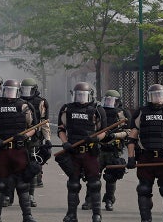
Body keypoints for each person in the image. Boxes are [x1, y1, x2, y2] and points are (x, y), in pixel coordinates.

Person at [126, 83, 163, 222]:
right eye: (155, 96)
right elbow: (132, 137)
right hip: (145, 158)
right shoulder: (141, 112)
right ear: (149, 97)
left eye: (160, 95)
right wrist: (131, 157)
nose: (158, 98)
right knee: (143, 190)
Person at [0, 79, 37, 222]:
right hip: (2, 150)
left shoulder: (24, 106)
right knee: (0, 184)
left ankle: (27, 216)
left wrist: (24, 136)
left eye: (11, 91)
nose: (9, 94)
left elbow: (33, 127)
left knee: (22, 184)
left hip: (18, 150)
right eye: (6, 91)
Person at [57, 82, 107, 222]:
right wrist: (65, 142)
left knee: (94, 183)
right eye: (78, 95)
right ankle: (71, 214)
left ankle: (97, 214)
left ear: (90, 95)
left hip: (90, 152)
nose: (80, 97)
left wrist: (96, 138)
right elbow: (61, 129)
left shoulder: (97, 110)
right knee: (73, 184)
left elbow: (104, 131)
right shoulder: (67, 109)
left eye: (83, 95)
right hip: (73, 152)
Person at [82, 89, 130, 212]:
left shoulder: (123, 114)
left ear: (118, 102)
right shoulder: (98, 111)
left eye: (112, 100)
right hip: (98, 148)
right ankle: (89, 200)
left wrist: (115, 135)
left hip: (113, 149)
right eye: (107, 100)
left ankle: (109, 200)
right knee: (93, 176)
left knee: (111, 177)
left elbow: (129, 132)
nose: (109, 103)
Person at [19, 77, 51, 207]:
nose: (26, 92)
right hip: (18, 138)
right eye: (24, 90)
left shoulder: (40, 102)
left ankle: (30, 196)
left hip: (34, 139)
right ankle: (8, 196)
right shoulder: (17, 102)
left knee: (32, 167)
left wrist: (48, 139)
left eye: (29, 90)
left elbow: (44, 123)